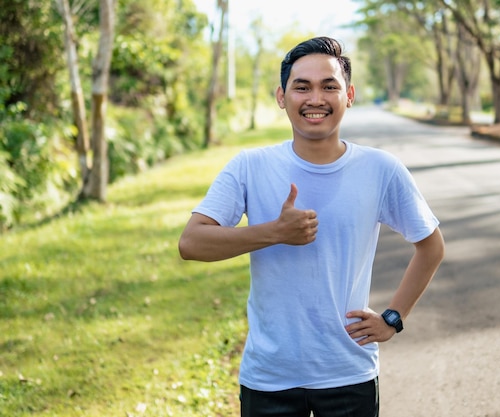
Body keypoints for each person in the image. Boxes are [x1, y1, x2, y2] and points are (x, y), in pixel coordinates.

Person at [178, 36, 445, 417]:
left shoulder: (380, 169)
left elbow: (431, 246)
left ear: (349, 95)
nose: (315, 98)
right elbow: (191, 243)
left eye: (329, 86)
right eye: (301, 86)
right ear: (281, 97)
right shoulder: (249, 166)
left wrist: (393, 318)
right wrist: (274, 232)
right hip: (268, 377)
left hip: (348, 374)